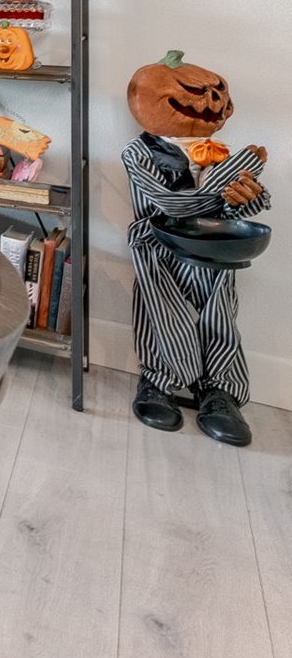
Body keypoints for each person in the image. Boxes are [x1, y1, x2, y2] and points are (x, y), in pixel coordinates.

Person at [121, 51, 270, 446]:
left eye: (217, 91)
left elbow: (237, 205)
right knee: (163, 314)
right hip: (158, 244)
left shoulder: (220, 152)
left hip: (214, 247)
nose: (210, 99)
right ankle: (159, 381)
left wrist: (245, 197)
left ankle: (219, 390)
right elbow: (171, 205)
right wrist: (236, 170)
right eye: (195, 90)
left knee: (219, 313)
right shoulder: (138, 154)